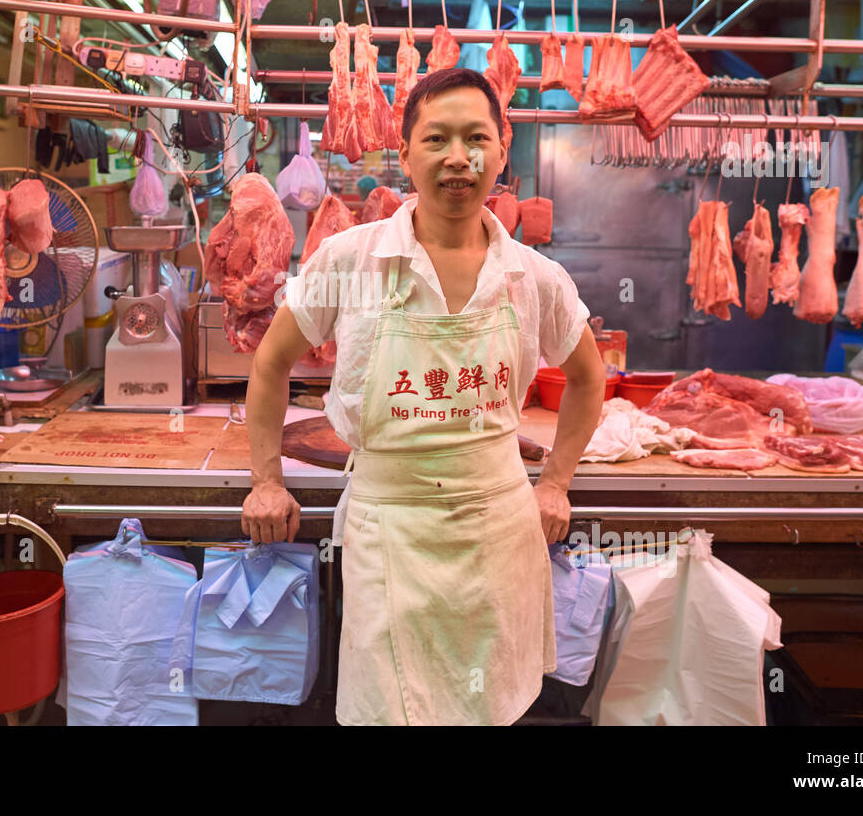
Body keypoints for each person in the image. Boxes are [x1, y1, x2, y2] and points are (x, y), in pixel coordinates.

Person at [242, 66, 606, 725]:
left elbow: (588, 376)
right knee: (389, 709)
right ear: (405, 152)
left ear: (501, 150)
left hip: (497, 533)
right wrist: (265, 480)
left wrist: (555, 483)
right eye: (437, 139)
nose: (457, 158)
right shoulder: (348, 261)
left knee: (488, 708)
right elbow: (270, 364)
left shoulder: (537, 278)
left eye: (476, 139)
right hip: (390, 533)